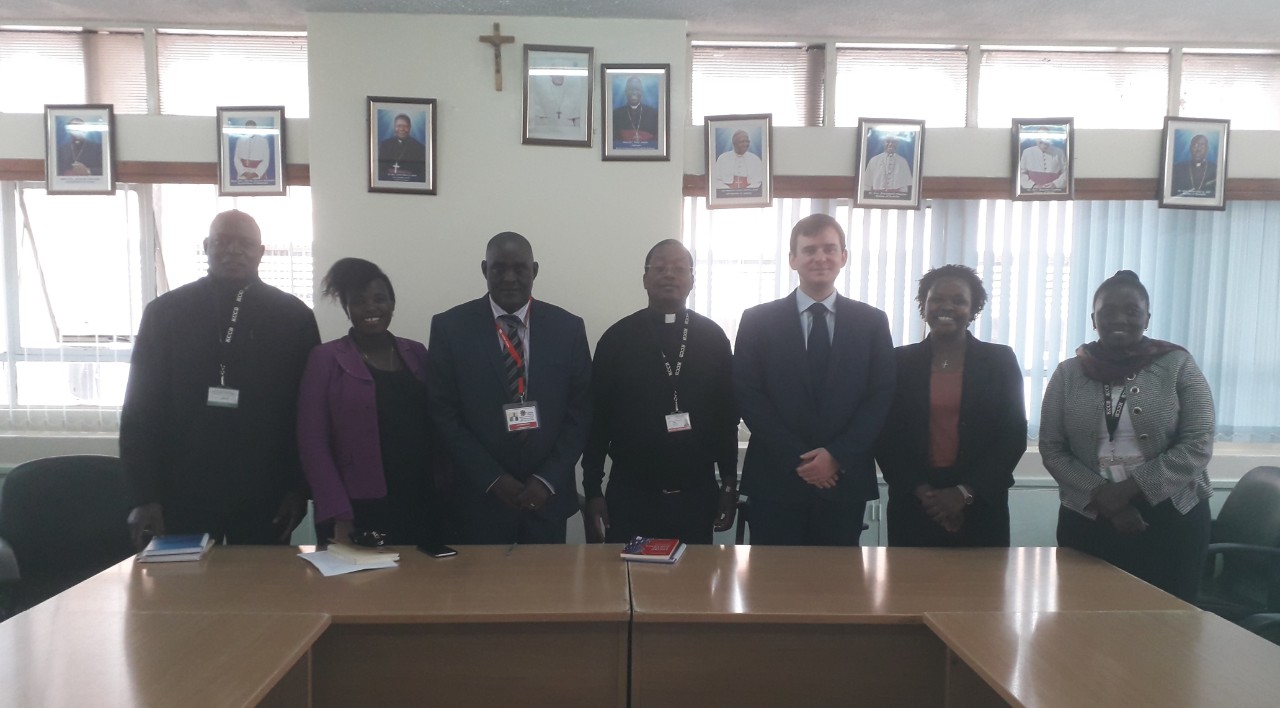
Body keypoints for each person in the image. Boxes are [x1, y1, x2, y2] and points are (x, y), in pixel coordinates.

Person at [120, 210, 320, 549]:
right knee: (184, 591)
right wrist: (144, 495)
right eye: (222, 242)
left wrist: (298, 488)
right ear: (206, 247)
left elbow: (309, 411)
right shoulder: (165, 312)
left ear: (261, 251)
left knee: (260, 592)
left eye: (244, 243)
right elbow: (140, 407)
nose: (232, 251)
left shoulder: (294, 316)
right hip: (182, 486)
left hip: (265, 488)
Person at [1040, 270, 1214, 601]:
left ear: (1147, 318)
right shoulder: (1068, 373)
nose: (1119, 319)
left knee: (1167, 628)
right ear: (1094, 319)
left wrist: (1132, 490)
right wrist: (1103, 496)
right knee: (1085, 627)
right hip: (1090, 514)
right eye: (1108, 312)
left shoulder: (1177, 364)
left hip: (1172, 516)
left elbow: (1198, 442)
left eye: (1132, 311)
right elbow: (1052, 448)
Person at [733, 213, 895, 546]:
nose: (819, 257)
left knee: (837, 590)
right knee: (772, 587)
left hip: (843, 479)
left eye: (829, 248)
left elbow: (880, 397)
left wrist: (835, 456)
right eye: (809, 250)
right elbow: (748, 395)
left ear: (843, 257)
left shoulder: (872, 322)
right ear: (793, 259)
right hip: (776, 479)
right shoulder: (757, 321)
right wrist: (801, 460)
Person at [427, 232, 591, 544]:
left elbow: (580, 412)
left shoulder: (568, 328)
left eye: (520, 268)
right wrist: (492, 478)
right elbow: (443, 413)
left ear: (535, 270)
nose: (510, 278)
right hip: (479, 499)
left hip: (547, 498)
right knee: (481, 592)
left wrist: (546, 480)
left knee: (544, 591)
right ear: (484, 269)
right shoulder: (450, 327)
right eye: (498, 268)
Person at [582, 240, 738, 545]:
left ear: (692, 280)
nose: (670, 275)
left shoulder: (714, 338)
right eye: (660, 268)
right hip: (631, 495)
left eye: (680, 269)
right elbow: (596, 421)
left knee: (692, 588)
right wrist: (592, 491)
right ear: (644, 278)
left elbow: (726, 420)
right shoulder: (616, 339)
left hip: (696, 495)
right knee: (627, 586)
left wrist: (729, 485)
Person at [874, 265, 1027, 547]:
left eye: (959, 301)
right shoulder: (899, 362)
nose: (947, 307)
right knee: (910, 588)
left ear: (974, 309)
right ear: (924, 305)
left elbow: (1013, 434)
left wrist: (964, 493)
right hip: (915, 502)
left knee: (982, 589)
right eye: (937, 299)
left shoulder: (999, 361)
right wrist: (925, 494)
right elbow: (885, 435)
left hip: (980, 503)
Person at [297, 258, 434, 546]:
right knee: (359, 589)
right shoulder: (325, 360)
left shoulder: (418, 353)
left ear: (392, 304)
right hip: (356, 506)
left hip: (419, 499)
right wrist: (338, 512)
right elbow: (313, 443)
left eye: (379, 299)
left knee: (422, 588)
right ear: (347, 308)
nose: (371, 308)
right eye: (359, 301)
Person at [528, 73, 587, 140]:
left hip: (570, 136)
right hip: (543, 135)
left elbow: (580, 126)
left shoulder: (577, 84)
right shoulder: (538, 83)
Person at [611, 76, 660, 148]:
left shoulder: (654, 114)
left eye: (637, 89)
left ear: (642, 92)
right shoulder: (615, 114)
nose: (634, 92)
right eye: (630, 89)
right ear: (625, 92)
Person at [377, 113, 427, 181]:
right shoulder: (384, 145)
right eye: (399, 126)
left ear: (410, 127)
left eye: (405, 126)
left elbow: (421, 173)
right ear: (394, 127)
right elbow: (379, 170)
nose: (401, 129)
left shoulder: (419, 147)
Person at [713, 130, 764, 195]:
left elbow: (758, 181)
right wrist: (729, 191)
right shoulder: (722, 158)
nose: (745, 144)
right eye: (742, 142)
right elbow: (717, 179)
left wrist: (745, 192)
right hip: (726, 194)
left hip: (749, 194)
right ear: (734, 143)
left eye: (747, 141)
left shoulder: (755, 159)